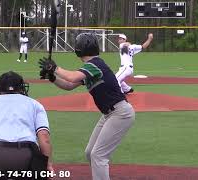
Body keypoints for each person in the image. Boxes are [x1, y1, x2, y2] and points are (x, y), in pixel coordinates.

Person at [39, 33, 135, 180]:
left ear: (79, 50)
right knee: (91, 152)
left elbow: (72, 77)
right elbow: (69, 85)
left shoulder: (95, 64)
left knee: (98, 155)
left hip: (120, 113)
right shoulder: (91, 67)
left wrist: (55, 68)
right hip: (109, 114)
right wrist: (52, 77)